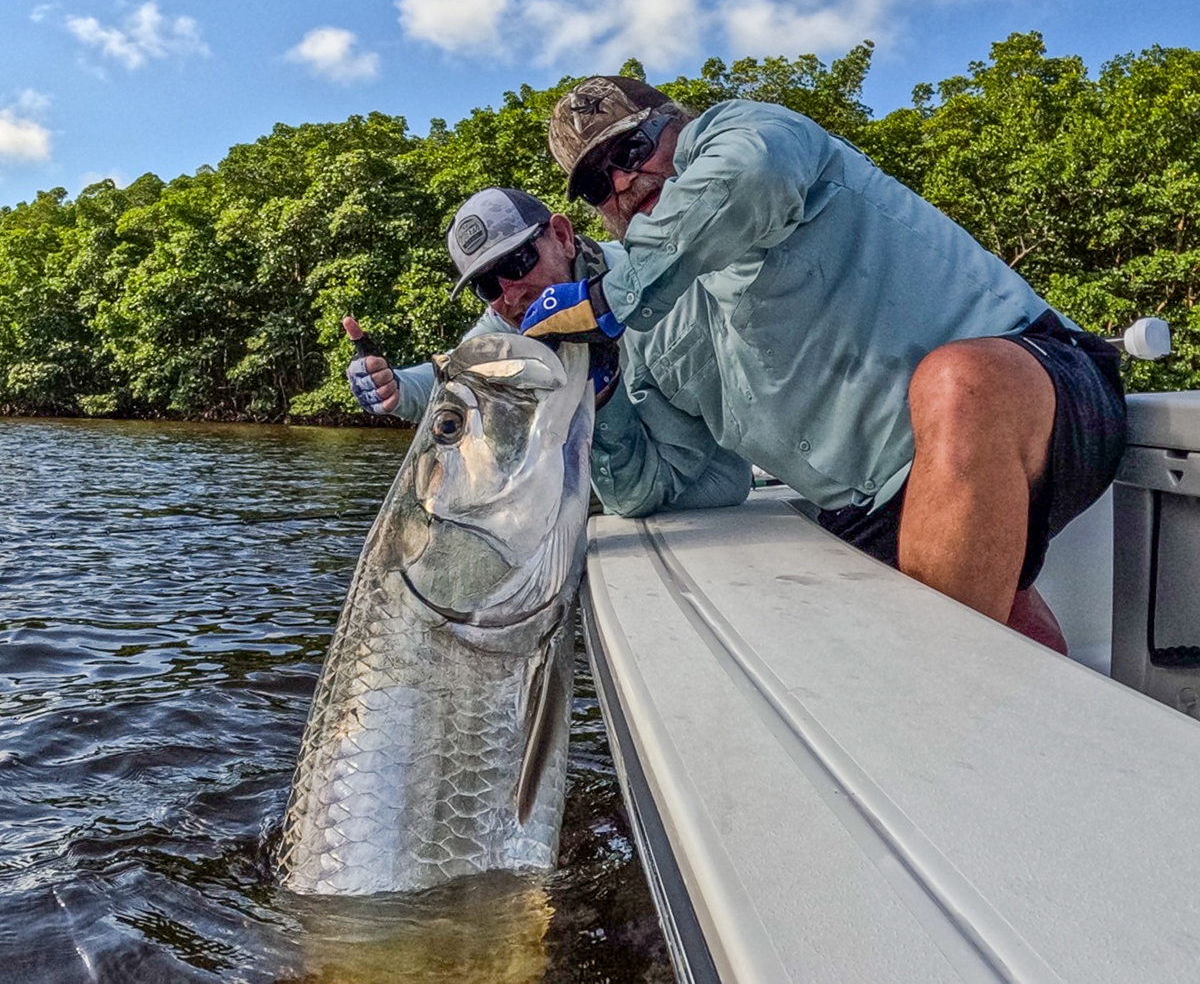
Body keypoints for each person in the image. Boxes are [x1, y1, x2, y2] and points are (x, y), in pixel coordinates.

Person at [520, 76, 1127, 652]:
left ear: (680, 127)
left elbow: (752, 172)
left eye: (632, 148)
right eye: (599, 181)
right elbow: (650, 489)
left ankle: (948, 719)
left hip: (1042, 393)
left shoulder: (748, 130)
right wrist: (604, 399)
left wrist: (605, 301)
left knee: (960, 384)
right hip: (873, 505)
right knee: (1002, 641)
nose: (624, 180)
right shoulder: (658, 317)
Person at [346, 186, 752, 515]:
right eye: (487, 285)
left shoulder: (650, 281)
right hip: (619, 492)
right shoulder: (510, 318)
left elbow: (639, 496)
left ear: (562, 236)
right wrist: (394, 387)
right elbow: (461, 370)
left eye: (518, 261)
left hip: (708, 488)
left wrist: (604, 388)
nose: (510, 292)